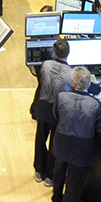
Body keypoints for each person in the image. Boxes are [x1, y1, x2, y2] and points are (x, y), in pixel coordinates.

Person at [50, 67, 101, 202]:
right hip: (81, 149)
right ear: (89, 84)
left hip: (61, 143)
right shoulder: (95, 104)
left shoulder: (61, 97)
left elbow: (56, 115)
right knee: (74, 185)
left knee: (58, 174)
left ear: (73, 83)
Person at [32, 38, 72, 186]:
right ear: (69, 54)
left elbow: (39, 76)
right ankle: (49, 176)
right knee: (55, 143)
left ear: (55, 53)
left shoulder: (46, 65)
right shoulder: (71, 73)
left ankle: (39, 170)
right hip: (58, 112)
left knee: (40, 139)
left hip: (43, 108)